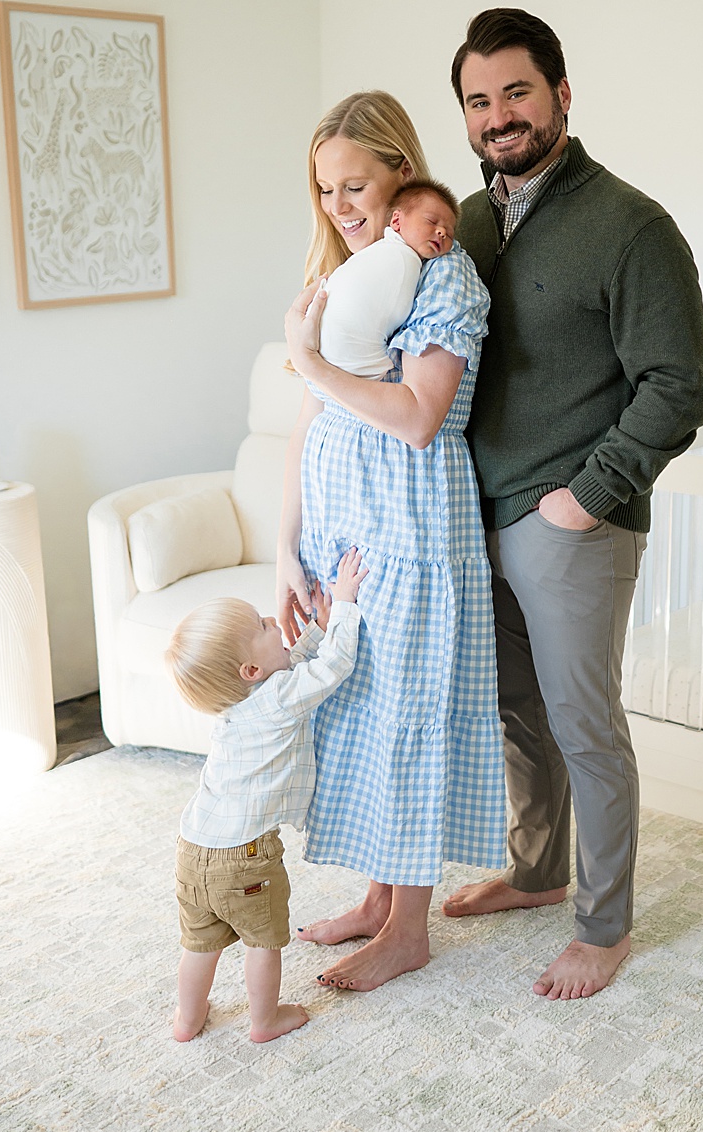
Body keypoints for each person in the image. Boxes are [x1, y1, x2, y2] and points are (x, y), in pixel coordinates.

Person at [439, 8, 703, 1001]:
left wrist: (583, 499)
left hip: (571, 522)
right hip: (476, 516)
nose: (498, 115)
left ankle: (603, 924)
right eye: (478, 99)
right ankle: (537, 869)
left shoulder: (631, 225)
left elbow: (677, 386)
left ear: (560, 91)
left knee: (583, 723)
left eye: (516, 90)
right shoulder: (461, 224)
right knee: (518, 714)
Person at [275, 90, 504, 992]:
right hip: (346, 535)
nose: (339, 205)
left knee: (406, 715)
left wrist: (316, 362)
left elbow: (417, 418)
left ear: (401, 174)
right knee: (362, 716)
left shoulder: (439, 275)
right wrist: (286, 547)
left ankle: (408, 927)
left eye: (356, 184)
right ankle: (378, 899)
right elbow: (307, 420)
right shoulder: (348, 270)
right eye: (326, 189)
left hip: (411, 527)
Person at [165, 549, 367, 1044]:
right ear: (250, 670)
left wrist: (312, 630)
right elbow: (332, 666)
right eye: (262, 624)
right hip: (245, 859)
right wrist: (343, 604)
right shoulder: (277, 699)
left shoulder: (241, 706)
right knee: (263, 941)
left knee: (200, 945)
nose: (275, 621)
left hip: (193, 851)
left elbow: (289, 667)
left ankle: (186, 1020)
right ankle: (264, 1020)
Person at [313, 181, 458, 388]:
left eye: (449, 233)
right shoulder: (404, 259)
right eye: (431, 221)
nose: (442, 232)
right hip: (356, 370)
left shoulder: (375, 253)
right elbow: (401, 315)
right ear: (397, 221)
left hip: (327, 366)